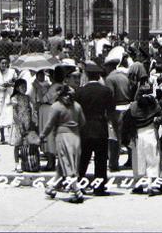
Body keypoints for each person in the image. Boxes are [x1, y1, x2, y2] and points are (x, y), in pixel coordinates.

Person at [41, 85, 86, 203]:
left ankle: (77, 191)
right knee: (65, 163)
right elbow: (83, 122)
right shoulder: (77, 106)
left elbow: (49, 124)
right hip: (75, 137)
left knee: (66, 163)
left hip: (62, 137)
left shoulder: (56, 107)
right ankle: (52, 187)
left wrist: (42, 136)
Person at [75, 64, 114, 194]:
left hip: (84, 129)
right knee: (101, 160)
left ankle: (79, 184)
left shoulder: (80, 92)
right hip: (100, 128)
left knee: (83, 159)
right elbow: (111, 111)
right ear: (98, 76)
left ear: (87, 75)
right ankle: (99, 186)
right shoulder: (106, 91)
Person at [121, 83, 161, 194]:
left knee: (138, 162)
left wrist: (126, 139)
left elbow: (126, 123)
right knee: (153, 161)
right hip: (151, 133)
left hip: (138, 135)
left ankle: (138, 185)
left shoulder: (133, 106)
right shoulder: (155, 105)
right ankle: (152, 185)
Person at [105, 58, 132, 172]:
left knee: (114, 138)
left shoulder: (110, 78)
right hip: (127, 106)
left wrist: (107, 113)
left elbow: (110, 96)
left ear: (109, 67)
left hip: (117, 108)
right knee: (128, 136)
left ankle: (113, 163)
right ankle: (131, 160)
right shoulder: (124, 76)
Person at [9, 79, 34, 172]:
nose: (24, 88)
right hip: (18, 124)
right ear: (17, 88)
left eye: (25, 86)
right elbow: (14, 113)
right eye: (22, 87)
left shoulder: (27, 98)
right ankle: (17, 164)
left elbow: (29, 110)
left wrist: (30, 122)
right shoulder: (14, 98)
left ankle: (25, 163)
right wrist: (20, 125)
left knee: (26, 144)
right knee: (17, 145)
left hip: (27, 122)